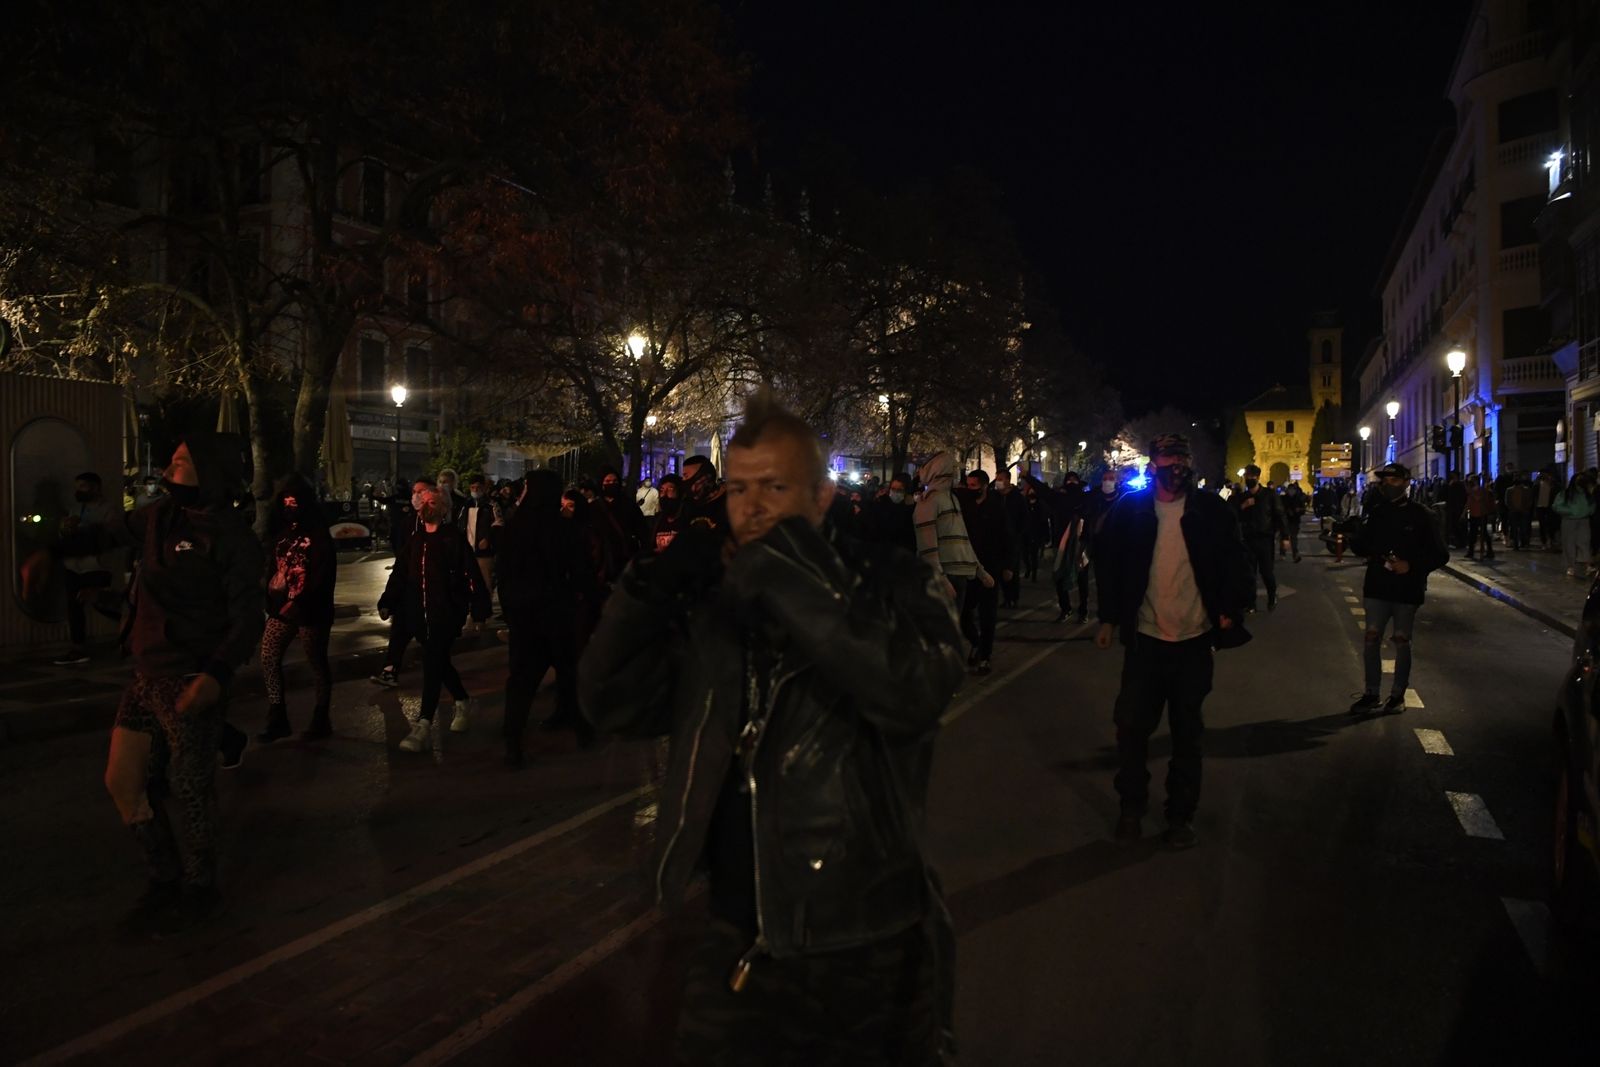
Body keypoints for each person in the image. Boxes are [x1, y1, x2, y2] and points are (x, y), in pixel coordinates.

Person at [578, 391, 965, 1063]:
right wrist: (647, 592)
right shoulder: (718, 604)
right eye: (738, 488)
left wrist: (789, 577)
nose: (751, 507)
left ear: (820, 498)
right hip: (741, 929)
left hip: (865, 937)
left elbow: (915, 690)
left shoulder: (887, 582)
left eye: (774, 487)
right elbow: (611, 703)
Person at [41, 433, 264, 925]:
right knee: (123, 780)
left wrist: (216, 673)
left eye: (184, 459)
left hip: (190, 677)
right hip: (147, 674)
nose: (170, 464)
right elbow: (105, 534)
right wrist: (49, 552)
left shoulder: (230, 536)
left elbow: (249, 616)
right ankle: (163, 875)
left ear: (210, 472)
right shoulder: (159, 515)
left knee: (190, 788)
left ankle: (200, 886)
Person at [1094, 433, 1252, 849]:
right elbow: (1109, 566)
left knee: (1187, 735)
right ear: (1155, 463)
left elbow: (1235, 562)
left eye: (1182, 459)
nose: (1176, 467)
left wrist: (1229, 609)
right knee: (1131, 728)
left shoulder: (1212, 513)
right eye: (1168, 459)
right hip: (1145, 640)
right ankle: (1131, 807)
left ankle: (1179, 817)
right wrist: (1109, 618)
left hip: (1193, 640)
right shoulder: (1131, 512)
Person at [500, 470, 599, 765]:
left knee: (521, 682)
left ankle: (513, 743)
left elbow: (504, 575)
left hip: (526, 617)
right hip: (557, 613)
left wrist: (511, 612)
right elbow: (581, 572)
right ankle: (583, 731)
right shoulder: (563, 528)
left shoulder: (516, 527)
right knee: (569, 673)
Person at [382, 488, 490, 751]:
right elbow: (400, 573)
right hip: (419, 614)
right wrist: (388, 600)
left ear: (443, 508)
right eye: (425, 502)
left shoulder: (453, 539)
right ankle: (462, 700)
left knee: (432, 663)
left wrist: (478, 610)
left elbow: (471, 575)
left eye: (434, 502)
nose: (428, 506)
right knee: (439, 661)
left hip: (446, 615)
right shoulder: (416, 540)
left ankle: (423, 723)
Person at [1347, 463, 1450, 715]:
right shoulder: (1376, 511)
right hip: (1377, 585)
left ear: (1406, 483)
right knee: (1371, 638)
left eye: (1394, 480)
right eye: (1385, 481)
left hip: (1406, 588)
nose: (1388, 485)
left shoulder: (1422, 515)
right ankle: (1371, 693)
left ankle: (1397, 695)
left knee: (1402, 640)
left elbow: (1440, 554)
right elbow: (1362, 546)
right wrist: (1354, 535)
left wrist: (1411, 566)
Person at [257, 474, 337, 742]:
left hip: (310, 610)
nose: (290, 507)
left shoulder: (319, 536)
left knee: (316, 661)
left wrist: (300, 601)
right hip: (282, 608)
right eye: (286, 502)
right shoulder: (283, 532)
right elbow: (274, 565)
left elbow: (322, 576)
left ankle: (321, 716)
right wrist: (272, 599)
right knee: (268, 656)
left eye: (295, 502)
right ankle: (277, 715)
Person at [52, 471, 122, 665]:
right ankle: (78, 648)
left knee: (102, 603)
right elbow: (67, 535)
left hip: (95, 565)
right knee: (74, 607)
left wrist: (85, 529)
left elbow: (111, 535)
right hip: (74, 565)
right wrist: (65, 529)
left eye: (83, 486)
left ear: (95, 487)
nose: (78, 491)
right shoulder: (76, 509)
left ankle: (132, 631)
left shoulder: (109, 509)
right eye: (77, 487)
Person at [372, 476, 433, 688]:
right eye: (414, 491)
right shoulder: (407, 524)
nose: (417, 496)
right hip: (410, 587)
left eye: (422, 491)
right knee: (400, 628)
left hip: (432, 593)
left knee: (430, 639)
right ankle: (390, 669)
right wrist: (387, 600)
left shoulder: (443, 527)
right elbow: (401, 563)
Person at [913, 450, 991, 609]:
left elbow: (963, 537)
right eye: (952, 470)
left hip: (959, 573)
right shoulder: (929, 502)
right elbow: (927, 546)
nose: (956, 474)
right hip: (946, 574)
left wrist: (979, 570)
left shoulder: (951, 498)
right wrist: (941, 579)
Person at [958, 469, 1014, 674]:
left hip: (990, 567)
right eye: (968, 485)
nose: (970, 489)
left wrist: (1008, 565)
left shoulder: (997, 507)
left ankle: (985, 656)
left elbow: (1007, 537)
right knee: (963, 611)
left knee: (987, 614)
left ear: (983, 486)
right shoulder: (965, 505)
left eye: (974, 486)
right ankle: (975, 641)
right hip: (967, 566)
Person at [1229, 464, 1290, 612]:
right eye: (1247, 476)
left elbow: (1280, 515)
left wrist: (1285, 536)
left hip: (1265, 539)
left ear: (1258, 477)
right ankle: (1251, 603)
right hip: (1247, 539)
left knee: (1266, 572)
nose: (1249, 479)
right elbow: (1231, 515)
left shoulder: (1269, 495)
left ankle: (1271, 596)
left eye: (1252, 477)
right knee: (1249, 573)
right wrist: (1243, 506)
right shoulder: (1240, 497)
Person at [991, 467, 1029, 608]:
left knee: (1011, 568)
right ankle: (1006, 597)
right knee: (999, 569)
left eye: (1000, 479)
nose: (998, 482)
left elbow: (1024, 518)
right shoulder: (994, 496)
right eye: (997, 479)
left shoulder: (1017, 497)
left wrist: (1018, 533)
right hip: (997, 538)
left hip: (1013, 538)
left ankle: (1012, 597)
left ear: (1007, 479)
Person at [1553, 471, 1596, 577]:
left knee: (1584, 542)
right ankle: (1570, 566)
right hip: (1569, 520)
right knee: (1569, 543)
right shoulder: (1566, 493)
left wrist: (1589, 511)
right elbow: (1556, 506)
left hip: (1584, 520)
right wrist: (1570, 512)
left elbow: (1592, 505)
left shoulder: (1587, 494)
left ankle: (1587, 565)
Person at [465, 474, 498, 596]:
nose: (475, 490)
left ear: (483, 488)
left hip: (484, 551)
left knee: (486, 581)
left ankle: (487, 608)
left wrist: (487, 539)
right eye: (472, 487)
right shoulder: (466, 505)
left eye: (478, 487)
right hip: (468, 549)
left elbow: (498, 524)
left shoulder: (491, 505)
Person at [1464, 475, 1497, 560]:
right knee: (1472, 534)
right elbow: (1468, 503)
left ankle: (1490, 551)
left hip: (1482, 514)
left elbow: (1478, 499)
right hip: (1473, 514)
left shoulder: (1483, 490)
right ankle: (1471, 552)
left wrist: (1471, 492)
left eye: (1472, 481)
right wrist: (1464, 513)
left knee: (1484, 533)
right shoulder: (1471, 491)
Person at [1504, 474, 1534, 551]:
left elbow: (1529, 500)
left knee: (1521, 528)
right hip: (1516, 511)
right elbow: (1507, 502)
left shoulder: (1525, 490)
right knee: (1517, 528)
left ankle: (1521, 543)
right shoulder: (1510, 490)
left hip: (1520, 511)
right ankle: (1517, 544)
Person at [1280, 480, 1307, 562]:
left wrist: (1298, 510)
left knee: (1294, 538)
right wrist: (1286, 511)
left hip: (1295, 521)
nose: (1291, 491)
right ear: (1287, 490)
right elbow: (1279, 509)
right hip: (1285, 521)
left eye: (1293, 490)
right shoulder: (1283, 499)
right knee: (1284, 538)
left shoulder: (1298, 499)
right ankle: (1283, 552)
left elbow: (1303, 510)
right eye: (1290, 490)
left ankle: (1295, 554)